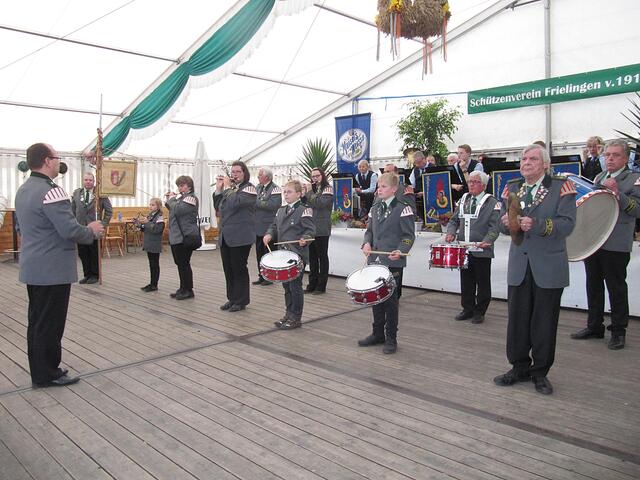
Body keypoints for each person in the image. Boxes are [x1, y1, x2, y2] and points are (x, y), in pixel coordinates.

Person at [15, 143, 104, 387]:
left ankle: (40, 370)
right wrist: (91, 230)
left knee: (37, 322)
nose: (59, 162)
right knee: (50, 325)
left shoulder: (23, 190)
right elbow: (69, 230)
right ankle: (47, 374)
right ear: (47, 160)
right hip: (52, 269)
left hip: (34, 267)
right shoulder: (52, 192)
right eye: (56, 157)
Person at [494, 144, 576, 395]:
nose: (526, 163)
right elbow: (504, 226)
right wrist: (506, 224)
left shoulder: (561, 187)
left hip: (548, 265)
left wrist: (537, 224)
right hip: (520, 264)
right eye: (523, 159)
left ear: (545, 164)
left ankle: (540, 372)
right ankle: (518, 367)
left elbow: (568, 224)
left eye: (532, 159)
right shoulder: (512, 187)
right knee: (517, 320)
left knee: (544, 322)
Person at [571, 139, 640, 350]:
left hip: (616, 242)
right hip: (594, 241)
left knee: (616, 287)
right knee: (593, 284)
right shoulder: (599, 177)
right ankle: (594, 325)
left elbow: (637, 210)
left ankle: (618, 330)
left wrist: (618, 194)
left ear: (626, 158)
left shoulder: (634, 179)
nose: (610, 159)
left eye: (615, 155)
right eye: (607, 155)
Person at [358, 173, 415, 354]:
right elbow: (369, 231)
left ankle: (391, 338)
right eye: (378, 186)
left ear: (394, 189)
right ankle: (377, 333)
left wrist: (401, 250)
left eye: (383, 186)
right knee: (375, 298)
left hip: (392, 261)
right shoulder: (375, 208)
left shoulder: (403, 208)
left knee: (390, 301)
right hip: (375, 260)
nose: (379, 189)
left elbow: (408, 236)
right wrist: (366, 243)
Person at [445, 171, 500, 324]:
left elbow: (495, 226)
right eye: (470, 181)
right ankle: (467, 308)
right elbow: (454, 220)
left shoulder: (491, 202)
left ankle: (480, 311)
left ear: (484, 185)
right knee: (466, 281)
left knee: (483, 282)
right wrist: (451, 232)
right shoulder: (464, 199)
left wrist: (488, 240)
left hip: (482, 249)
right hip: (464, 249)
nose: (471, 184)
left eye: (475, 182)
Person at [264, 180, 315, 330]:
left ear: (299, 194)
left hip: (296, 254)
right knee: (286, 286)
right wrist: (269, 234)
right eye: (284, 192)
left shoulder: (304, 210)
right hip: (283, 255)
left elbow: (310, 230)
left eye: (289, 192)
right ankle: (288, 314)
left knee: (295, 286)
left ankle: (296, 317)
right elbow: (274, 226)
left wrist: (305, 239)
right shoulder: (281, 210)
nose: (286, 194)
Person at [214, 160, 256, 311]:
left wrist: (227, 188)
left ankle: (241, 300)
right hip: (226, 235)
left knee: (239, 268)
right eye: (233, 172)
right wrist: (218, 190)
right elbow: (218, 207)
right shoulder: (230, 189)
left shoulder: (249, 189)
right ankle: (232, 298)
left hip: (241, 236)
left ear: (245, 173)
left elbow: (235, 203)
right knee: (228, 268)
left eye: (238, 172)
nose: (235, 174)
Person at [71, 172, 112, 284]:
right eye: (86, 180)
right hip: (80, 228)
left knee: (94, 252)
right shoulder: (77, 193)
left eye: (90, 180)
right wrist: (74, 223)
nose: (88, 182)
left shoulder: (100, 194)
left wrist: (102, 224)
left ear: (94, 182)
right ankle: (87, 274)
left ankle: (95, 275)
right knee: (83, 252)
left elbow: (109, 211)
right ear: (83, 181)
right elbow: (72, 210)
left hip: (94, 229)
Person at [165, 176, 199, 300]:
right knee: (179, 263)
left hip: (185, 236)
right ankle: (182, 288)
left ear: (189, 186)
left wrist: (172, 199)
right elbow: (171, 207)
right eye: (178, 185)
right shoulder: (181, 199)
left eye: (182, 185)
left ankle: (188, 290)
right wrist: (170, 199)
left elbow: (178, 210)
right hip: (176, 236)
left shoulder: (191, 198)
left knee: (184, 263)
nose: (180, 188)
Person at [302, 167, 332, 295]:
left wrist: (309, 192)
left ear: (322, 176)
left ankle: (321, 286)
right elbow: (306, 204)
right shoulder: (312, 190)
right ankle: (312, 284)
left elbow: (320, 203)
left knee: (322, 257)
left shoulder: (327, 189)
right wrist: (303, 194)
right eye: (313, 176)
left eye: (317, 176)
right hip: (311, 227)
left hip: (322, 227)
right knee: (312, 257)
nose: (314, 178)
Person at [253, 167, 281, 286]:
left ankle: (270, 277)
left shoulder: (275, 189)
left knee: (269, 253)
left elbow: (273, 205)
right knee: (259, 253)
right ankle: (262, 275)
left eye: (260, 175)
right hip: (257, 226)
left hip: (268, 226)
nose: (258, 177)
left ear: (267, 177)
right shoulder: (258, 187)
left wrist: (257, 202)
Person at [137, 197, 165, 292]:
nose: (150, 206)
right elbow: (146, 228)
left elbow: (157, 230)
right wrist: (139, 225)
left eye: (153, 205)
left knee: (154, 264)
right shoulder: (150, 215)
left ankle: (154, 284)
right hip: (149, 242)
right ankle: (152, 283)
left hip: (154, 243)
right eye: (150, 204)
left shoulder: (159, 217)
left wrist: (147, 223)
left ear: (158, 206)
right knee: (151, 264)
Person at [408, 151, 428, 222]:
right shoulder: (415, 170)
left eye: (419, 162)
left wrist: (424, 193)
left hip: (430, 195)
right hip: (419, 195)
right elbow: (411, 183)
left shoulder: (433, 167)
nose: (417, 165)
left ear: (424, 159)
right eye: (415, 163)